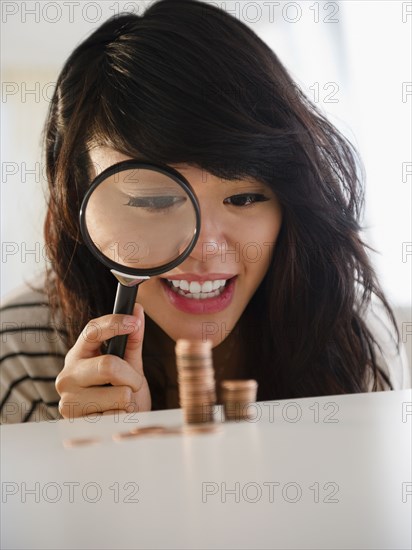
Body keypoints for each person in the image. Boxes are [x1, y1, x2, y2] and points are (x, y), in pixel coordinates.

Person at [1, 0, 410, 424]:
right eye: (154, 201)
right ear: (77, 201)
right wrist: (96, 467)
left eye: (245, 198)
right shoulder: (17, 350)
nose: (205, 247)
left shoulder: (349, 334)